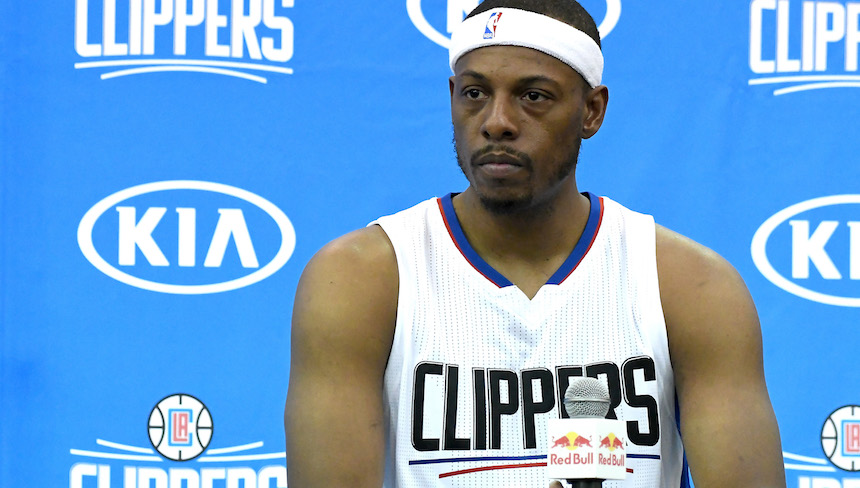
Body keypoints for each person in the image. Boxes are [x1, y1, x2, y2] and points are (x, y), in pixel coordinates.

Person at [285, 1, 787, 487]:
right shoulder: (362, 279)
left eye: (534, 96)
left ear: (592, 111)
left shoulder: (688, 285)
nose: (496, 121)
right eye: (475, 93)